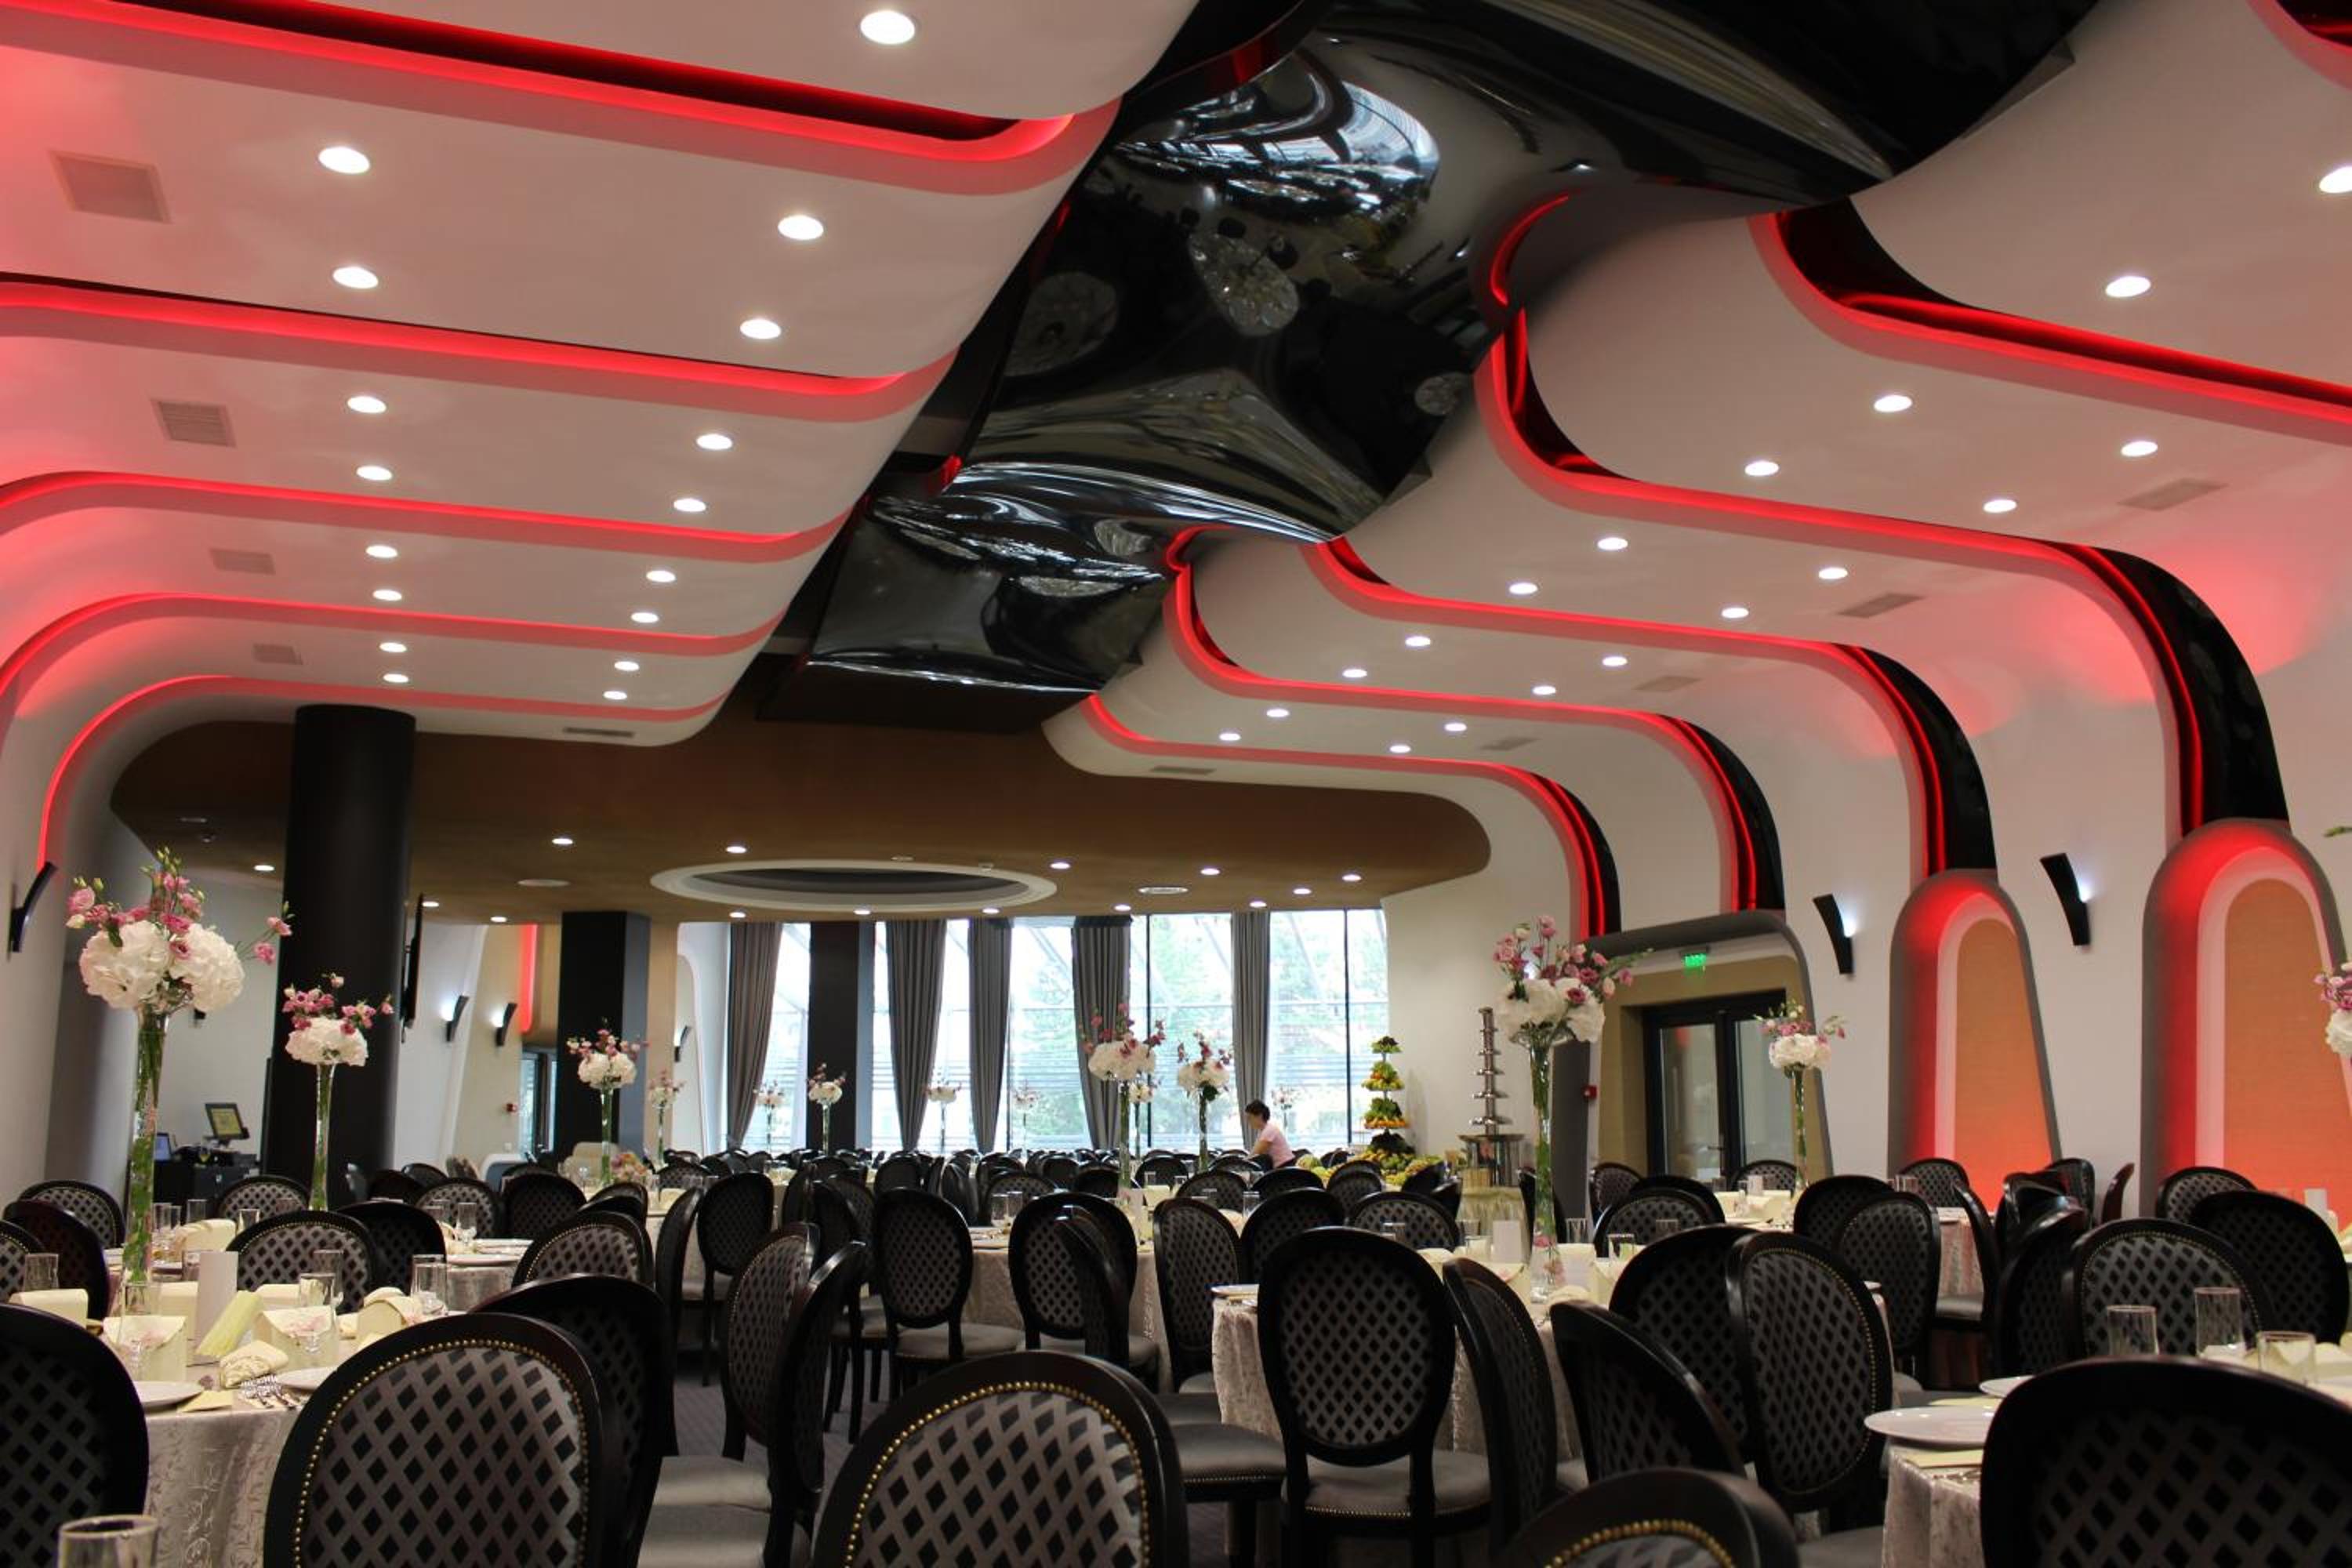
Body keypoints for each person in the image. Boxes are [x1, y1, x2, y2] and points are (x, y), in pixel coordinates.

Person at [1242, 1099, 1294, 1169]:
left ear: (1259, 1116)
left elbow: (1255, 1154)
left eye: (1250, 1118)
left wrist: (1241, 1163)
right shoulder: (1263, 1131)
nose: (1248, 1122)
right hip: (1281, 1167)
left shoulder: (1269, 1131)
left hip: (1286, 1167)